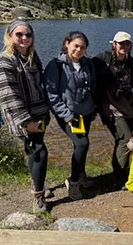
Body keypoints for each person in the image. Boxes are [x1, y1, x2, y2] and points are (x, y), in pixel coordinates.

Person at [0, 20, 50, 212]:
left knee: (33, 150)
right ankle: (38, 198)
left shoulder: (32, 57)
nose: (24, 38)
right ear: (10, 36)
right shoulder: (4, 60)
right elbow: (8, 95)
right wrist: (26, 123)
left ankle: (37, 183)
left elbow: (42, 84)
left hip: (41, 114)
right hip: (25, 119)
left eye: (28, 34)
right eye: (19, 34)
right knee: (39, 152)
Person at [44, 31, 96, 201]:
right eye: (76, 46)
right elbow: (51, 94)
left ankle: (80, 173)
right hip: (70, 115)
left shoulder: (87, 64)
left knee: (82, 146)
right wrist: (66, 115)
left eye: (82, 47)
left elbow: (93, 86)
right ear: (67, 43)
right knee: (82, 143)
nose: (79, 50)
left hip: (85, 113)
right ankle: (73, 182)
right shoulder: (56, 65)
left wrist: (93, 107)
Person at [92, 31, 133, 188]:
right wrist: (99, 106)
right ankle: (119, 178)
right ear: (114, 44)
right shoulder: (101, 59)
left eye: (127, 44)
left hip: (127, 106)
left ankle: (119, 172)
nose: (124, 47)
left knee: (122, 141)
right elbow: (91, 80)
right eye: (121, 44)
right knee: (126, 140)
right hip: (111, 108)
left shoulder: (129, 61)